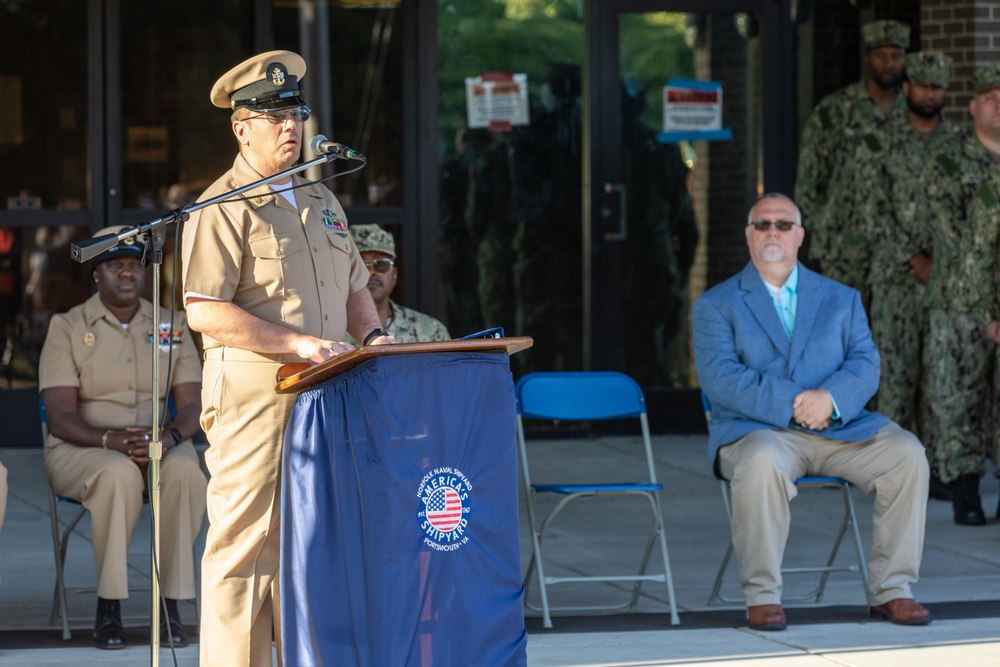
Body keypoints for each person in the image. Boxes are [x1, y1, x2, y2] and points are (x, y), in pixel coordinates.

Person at [180, 50, 394, 666]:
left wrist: (374, 340)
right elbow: (204, 309)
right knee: (247, 547)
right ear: (240, 127)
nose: (290, 126)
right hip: (258, 395)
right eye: (274, 115)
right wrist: (296, 343)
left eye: (296, 112)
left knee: (314, 541)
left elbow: (356, 287)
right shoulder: (221, 205)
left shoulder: (320, 196)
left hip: (329, 390)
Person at [692, 193, 931, 631]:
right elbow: (721, 378)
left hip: (841, 429)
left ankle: (892, 590)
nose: (773, 233)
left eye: (784, 225)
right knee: (762, 463)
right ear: (748, 235)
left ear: (800, 236)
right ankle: (763, 597)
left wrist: (831, 400)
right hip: (758, 432)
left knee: (907, 453)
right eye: (762, 224)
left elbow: (865, 363)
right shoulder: (715, 305)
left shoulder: (841, 298)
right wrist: (797, 405)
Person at [38, 226, 207, 650]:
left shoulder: (174, 325)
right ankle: (109, 605)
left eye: (134, 264)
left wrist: (169, 438)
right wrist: (111, 440)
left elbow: (194, 404)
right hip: (84, 449)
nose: (127, 273)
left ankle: (171, 603)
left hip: (159, 445)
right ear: (96, 273)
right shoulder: (68, 327)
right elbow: (59, 417)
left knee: (187, 469)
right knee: (117, 475)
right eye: (115, 265)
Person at [855, 52, 963, 454]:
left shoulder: (960, 145)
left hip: (946, 285)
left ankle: (939, 466)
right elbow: (871, 210)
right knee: (895, 379)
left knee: (943, 378)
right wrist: (913, 260)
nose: (930, 94)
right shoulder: (879, 143)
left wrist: (944, 264)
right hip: (895, 282)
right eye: (923, 85)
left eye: (938, 87)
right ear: (906, 88)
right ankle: (894, 463)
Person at [920, 63, 1000, 525]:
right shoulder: (949, 158)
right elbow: (954, 236)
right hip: (958, 299)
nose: (997, 106)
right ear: (972, 106)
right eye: (988, 97)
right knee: (958, 398)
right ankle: (966, 491)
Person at [795, 19, 909, 304]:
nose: (889, 64)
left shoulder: (914, 114)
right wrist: (829, 228)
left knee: (891, 344)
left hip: (899, 255)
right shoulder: (834, 112)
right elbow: (809, 183)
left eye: (896, 56)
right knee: (841, 337)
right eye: (881, 56)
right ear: (867, 58)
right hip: (845, 253)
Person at [348, 224, 450, 343]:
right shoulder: (331, 333)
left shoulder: (431, 331)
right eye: (360, 266)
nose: (371, 272)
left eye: (381, 265)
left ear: (394, 276)